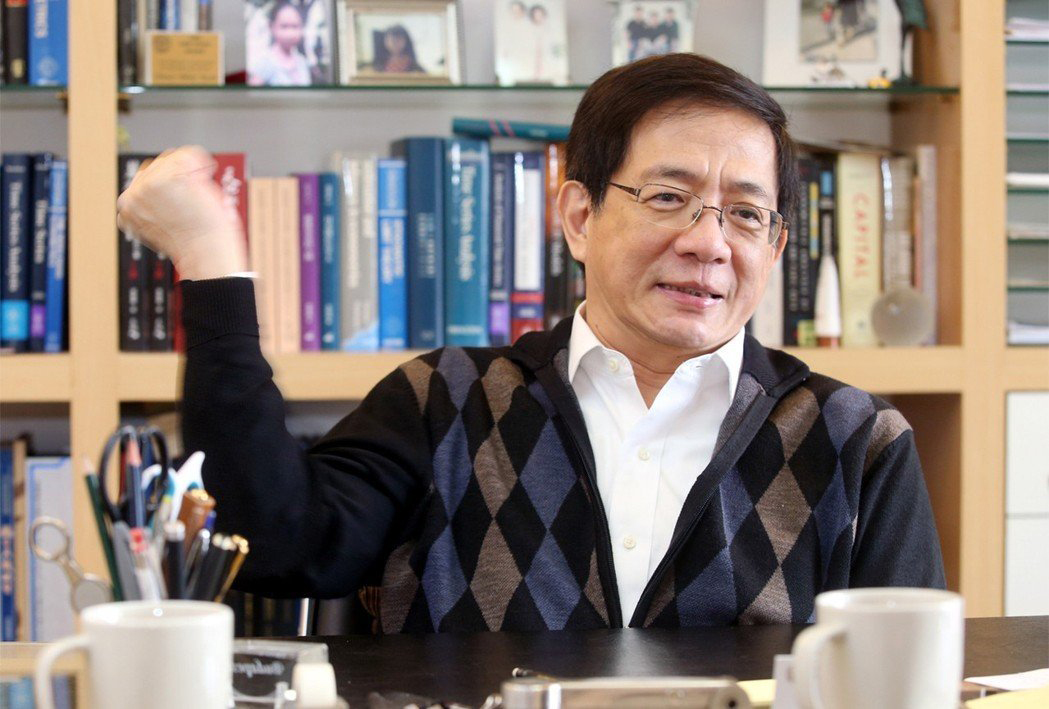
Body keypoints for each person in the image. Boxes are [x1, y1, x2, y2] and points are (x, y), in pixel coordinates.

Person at [115, 53, 945, 633]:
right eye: (668, 197)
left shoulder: (853, 441)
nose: (708, 241)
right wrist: (211, 263)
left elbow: (910, 680)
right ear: (578, 216)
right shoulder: (445, 400)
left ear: (774, 245)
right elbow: (271, 543)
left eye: (746, 214)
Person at [248, 1, 311, 87]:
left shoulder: (302, 62)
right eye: (284, 26)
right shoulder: (266, 62)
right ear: (271, 27)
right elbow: (251, 93)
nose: (290, 33)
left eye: (295, 26)